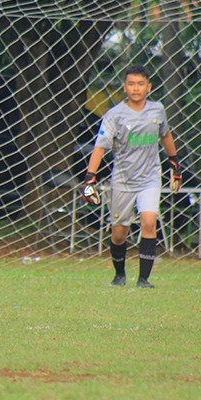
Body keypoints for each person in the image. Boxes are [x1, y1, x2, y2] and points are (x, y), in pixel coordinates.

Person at [82, 64, 181, 289]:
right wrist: (90, 178)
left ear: (149, 87)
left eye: (140, 84)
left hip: (150, 178)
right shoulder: (114, 115)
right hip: (123, 180)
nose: (136, 89)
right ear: (125, 88)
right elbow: (99, 147)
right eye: (131, 84)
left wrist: (175, 164)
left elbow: (165, 134)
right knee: (119, 233)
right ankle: (119, 275)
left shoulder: (157, 110)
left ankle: (144, 280)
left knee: (149, 222)